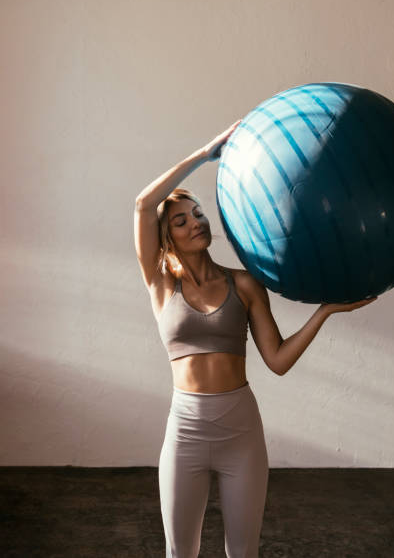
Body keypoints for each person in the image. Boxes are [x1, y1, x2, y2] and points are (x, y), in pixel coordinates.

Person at [133, 119, 377, 558]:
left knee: (244, 552)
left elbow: (278, 360)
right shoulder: (160, 284)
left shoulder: (245, 284)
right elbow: (142, 203)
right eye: (182, 221)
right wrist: (206, 151)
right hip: (185, 429)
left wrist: (325, 312)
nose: (196, 223)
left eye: (199, 214)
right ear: (168, 237)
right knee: (179, 552)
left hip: (240, 430)